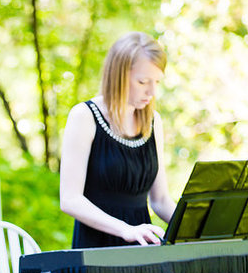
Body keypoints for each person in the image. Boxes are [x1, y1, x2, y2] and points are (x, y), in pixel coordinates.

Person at [60, 32, 176, 248]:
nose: (152, 91)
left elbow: (160, 201)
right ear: (119, 75)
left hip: (143, 251)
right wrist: (126, 229)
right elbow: (70, 199)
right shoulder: (84, 116)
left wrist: (199, 228)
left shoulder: (153, 121)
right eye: (143, 81)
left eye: (157, 82)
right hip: (98, 252)